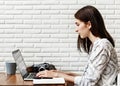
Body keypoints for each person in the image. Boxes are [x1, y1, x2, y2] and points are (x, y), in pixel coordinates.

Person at [36, 5, 119, 86]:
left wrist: (58, 75)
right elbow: (88, 78)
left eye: (78, 24)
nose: (76, 29)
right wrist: (62, 73)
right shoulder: (95, 45)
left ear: (89, 24)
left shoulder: (102, 46)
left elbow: (88, 83)